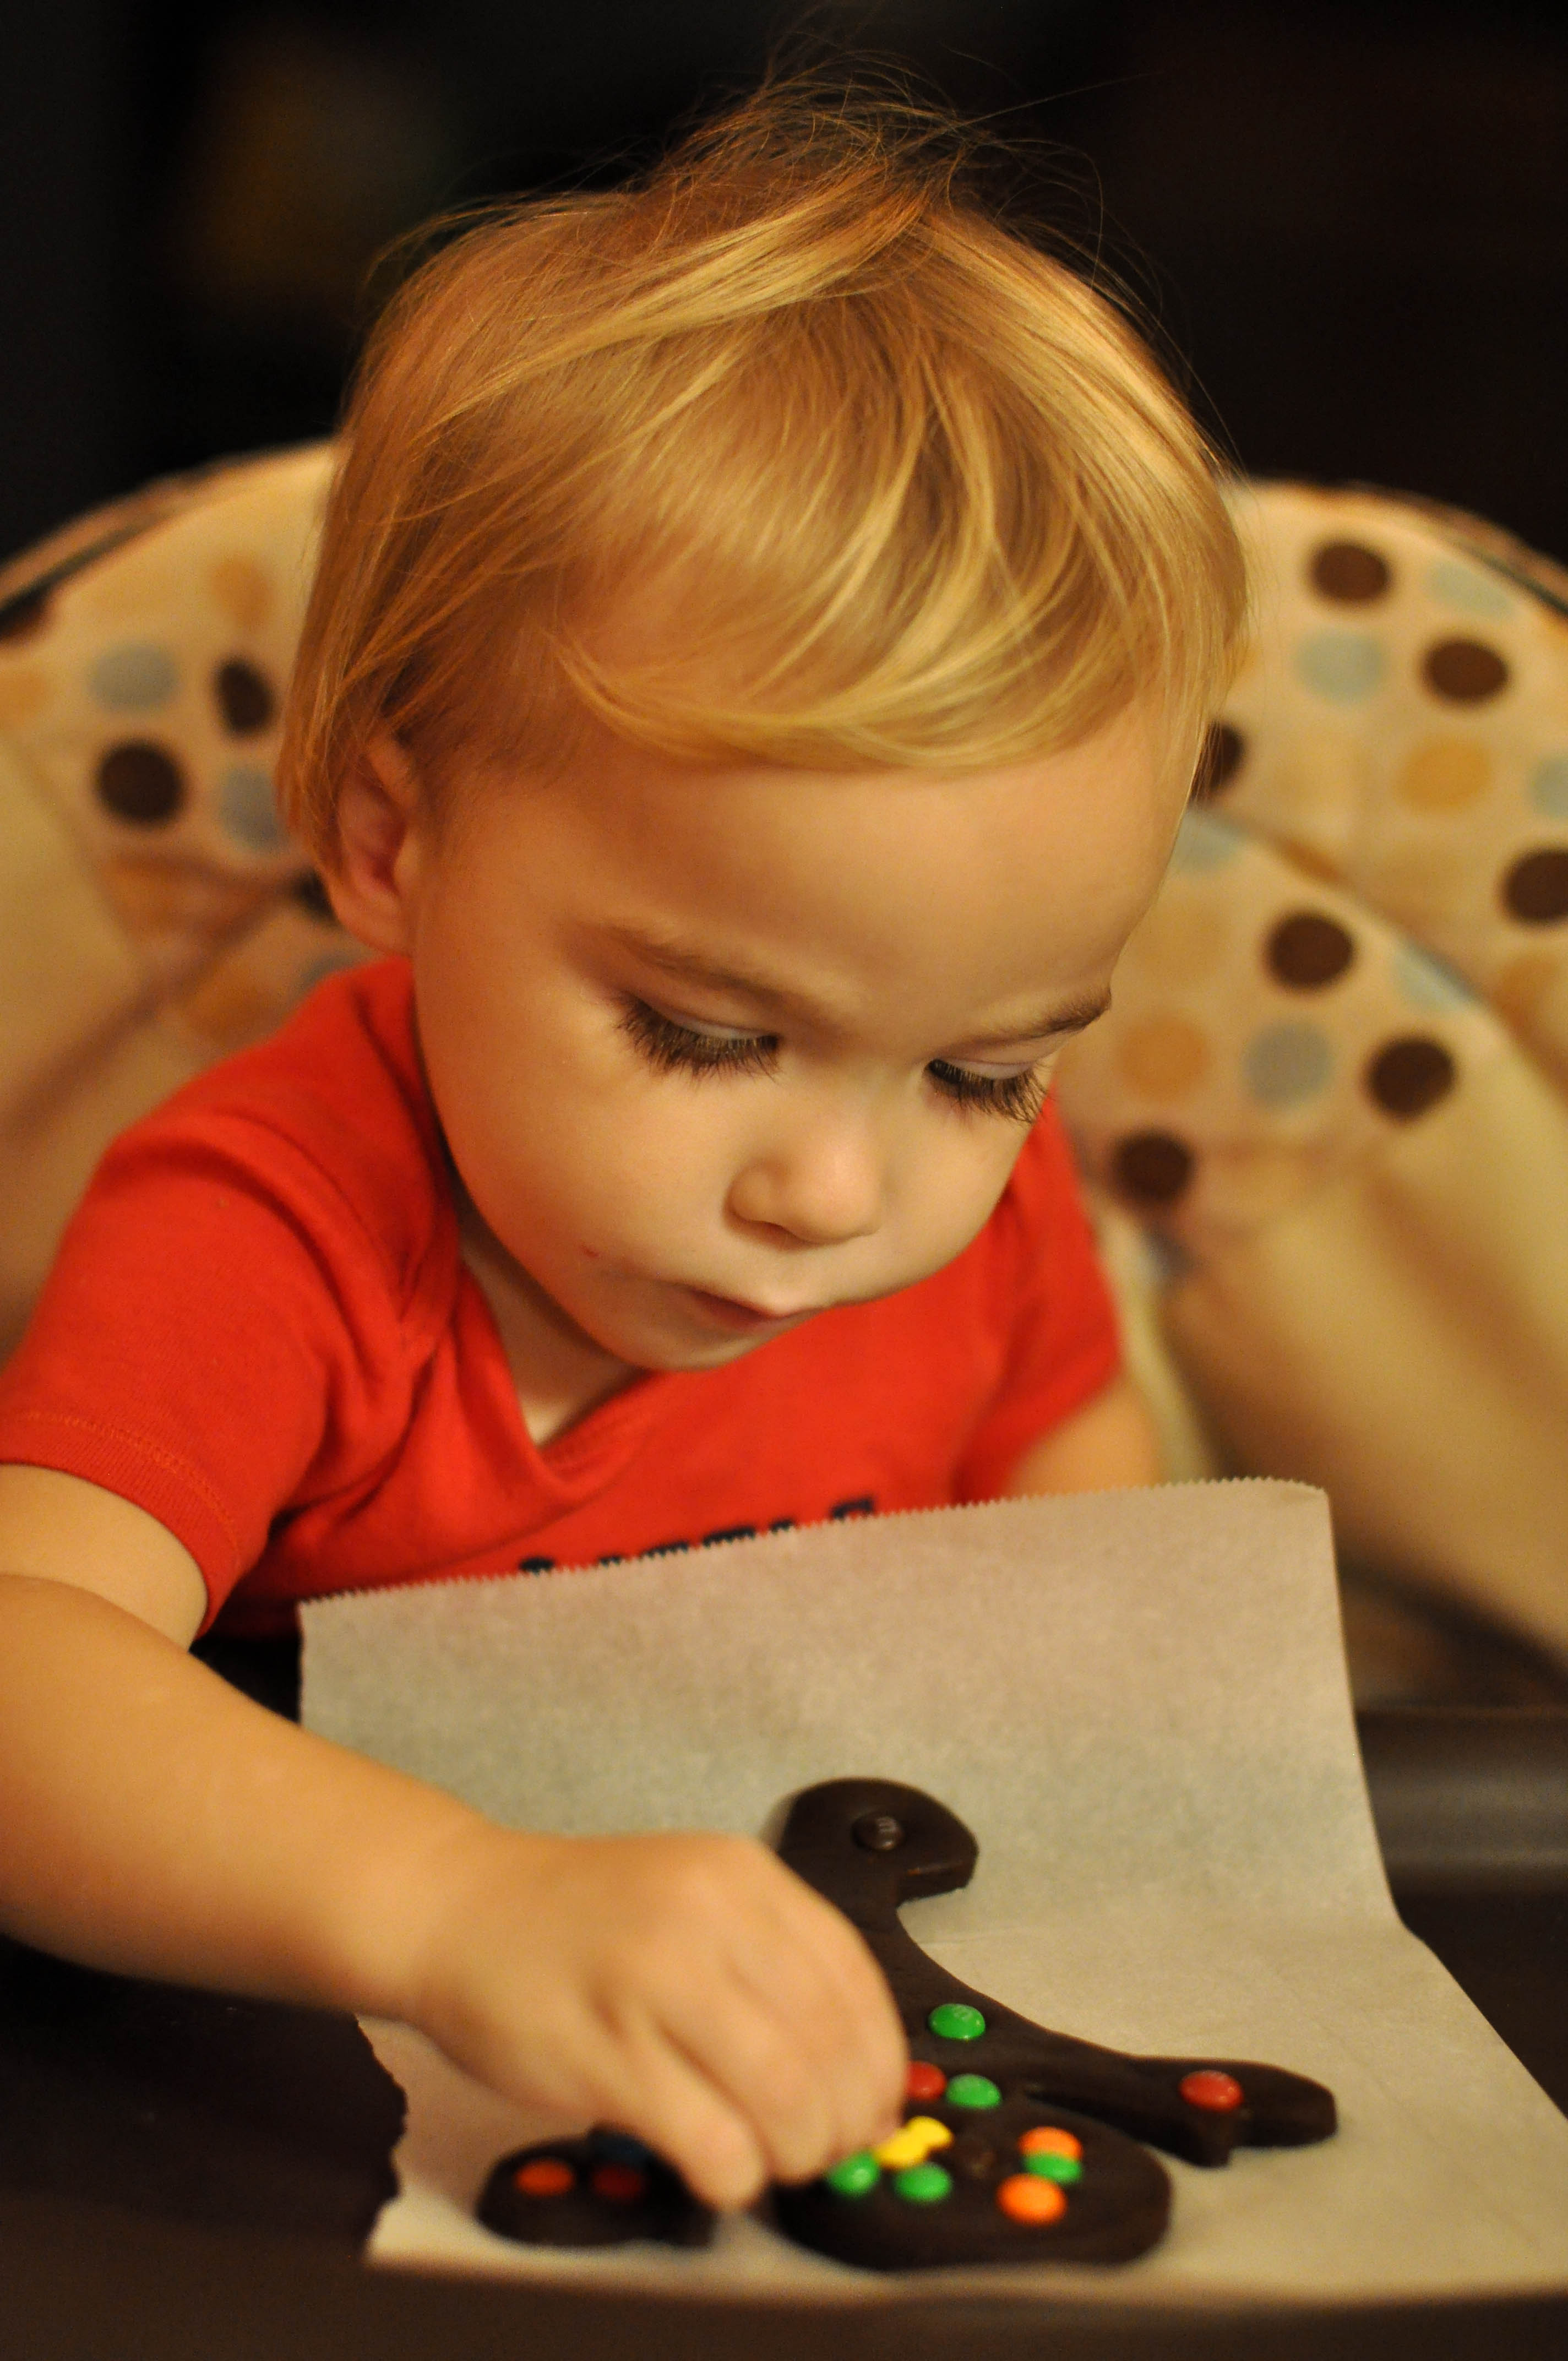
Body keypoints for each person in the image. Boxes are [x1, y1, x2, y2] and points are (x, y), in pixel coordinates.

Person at [0, 89, 1244, 2211]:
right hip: (324, 2112)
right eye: (708, 1034)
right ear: (388, 838)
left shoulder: (973, 1211)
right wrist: (450, 1907)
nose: (838, 1195)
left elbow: (1069, 1523)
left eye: (982, 1073)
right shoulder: (275, 1233)